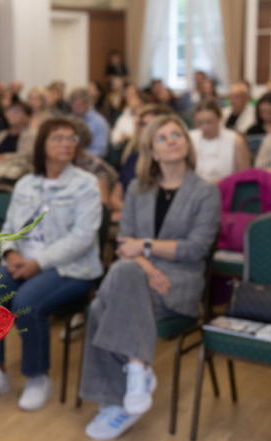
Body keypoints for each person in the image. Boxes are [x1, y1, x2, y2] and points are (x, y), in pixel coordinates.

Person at [79, 114, 220, 440]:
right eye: (162, 137)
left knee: (102, 306)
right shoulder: (138, 190)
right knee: (124, 272)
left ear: (187, 143)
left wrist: (145, 247)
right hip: (142, 275)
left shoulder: (205, 192)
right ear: (152, 150)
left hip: (178, 285)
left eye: (177, 134)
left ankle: (119, 397)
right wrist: (151, 266)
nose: (171, 140)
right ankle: (136, 371)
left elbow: (195, 249)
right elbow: (123, 245)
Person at [0, 117, 102, 411]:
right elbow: (8, 227)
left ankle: (37, 377)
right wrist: (12, 255)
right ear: (42, 144)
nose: (66, 143)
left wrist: (37, 263)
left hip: (71, 269)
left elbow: (82, 238)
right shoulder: (26, 183)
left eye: (71, 139)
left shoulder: (85, 184)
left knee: (26, 302)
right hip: (22, 264)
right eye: (58, 138)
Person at [109, 104, 176, 222]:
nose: (146, 129)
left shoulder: (171, 161)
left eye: (152, 124)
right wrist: (127, 211)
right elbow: (114, 198)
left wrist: (130, 214)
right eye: (143, 124)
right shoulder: (133, 157)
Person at [190, 100, 251, 183]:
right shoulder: (189, 138)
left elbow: (245, 175)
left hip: (227, 189)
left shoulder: (236, 141)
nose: (205, 127)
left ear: (220, 118)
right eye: (200, 123)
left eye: (209, 122)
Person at [70, 88, 110, 158]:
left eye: (79, 105)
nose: (75, 109)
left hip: (89, 160)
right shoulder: (69, 118)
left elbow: (101, 151)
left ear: (87, 103)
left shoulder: (99, 122)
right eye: (73, 105)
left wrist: (80, 156)